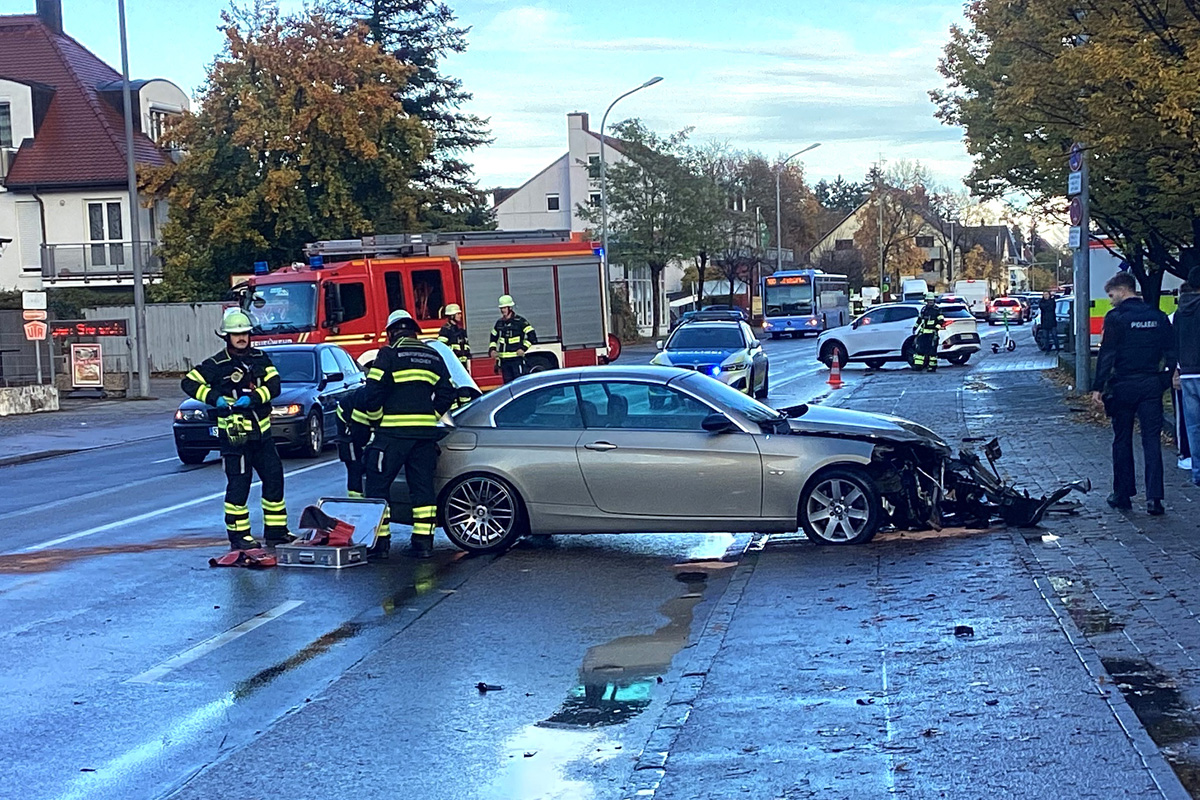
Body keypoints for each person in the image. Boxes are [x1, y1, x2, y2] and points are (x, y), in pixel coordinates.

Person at [181, 311, 293, 550]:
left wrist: (253, 398)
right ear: (226, 336)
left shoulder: (261, 359)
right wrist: (215, 398)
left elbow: (274, 386)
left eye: (244, 333)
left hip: (262, 435)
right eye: (235, 334)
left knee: (274, 479)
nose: (241, 337)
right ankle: (239, 537)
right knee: (239, 485)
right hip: (236, 437)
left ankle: (276, 532)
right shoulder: (216, 364)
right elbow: (189, 382)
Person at [362, 310, 455, 559]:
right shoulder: (432, 355)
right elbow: (448, 391)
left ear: (391, 333)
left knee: (378, 486)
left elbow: (373, 391)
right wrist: (430, 415)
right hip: (424, 436)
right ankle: (423, 544)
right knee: (423, 489)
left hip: (392, 435)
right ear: (415, 332)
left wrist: (376, 419)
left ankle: (380, 545)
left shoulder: (389, 354)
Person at [1091, 271, 1177, 515]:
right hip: (1150, 384)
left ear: (1122, 290)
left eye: (1111, 295)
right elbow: (1171, 351)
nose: (1110, 300)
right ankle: (1155, 498)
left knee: (1122, 439)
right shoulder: (1157, 316)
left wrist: (1098, 386)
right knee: (1151, 441)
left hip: (1124, 385)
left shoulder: (1116, 318)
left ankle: (1123, 493)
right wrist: (1163, 380)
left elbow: (1107, 354)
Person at [1173, 268, 1200, 485]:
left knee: (1193, 426)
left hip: (1188, 373)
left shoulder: (1181, 311)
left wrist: (1176, 370)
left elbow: (1175, 344)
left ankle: (1198, 471)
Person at [335, 358, 373, 498]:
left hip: (359, 424)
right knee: (355, 466)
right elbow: (362, 428)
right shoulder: (366, 397)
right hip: (348, 427)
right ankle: (356, 502)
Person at [489, 294, 537, 384]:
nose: (502, 310)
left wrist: (523, 348)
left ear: (510, 308)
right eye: (501, 308)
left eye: (504, 308)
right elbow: (493, 337)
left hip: (516, 360)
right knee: (507, 386)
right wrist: (492, 349)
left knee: (519, 384)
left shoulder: (520, 322)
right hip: (504, 361)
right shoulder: (499, 323)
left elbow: (532, 336)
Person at [911, 293, 944, 372]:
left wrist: (936, 328)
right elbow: (919, 319)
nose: (930, 302)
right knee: (920, 350)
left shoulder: (937, 310)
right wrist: (915, 327)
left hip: (932, 334)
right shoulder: (924, 309)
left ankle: (932, 367)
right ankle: (918, 366)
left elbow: (941, 321)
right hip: (923, 334)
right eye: (929, 301)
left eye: (931, 301)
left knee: (932, 352)